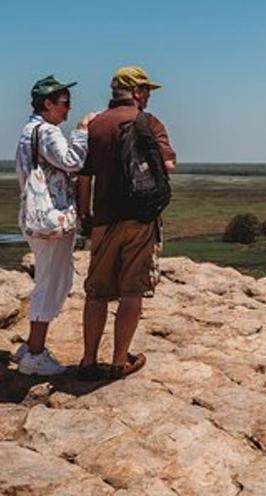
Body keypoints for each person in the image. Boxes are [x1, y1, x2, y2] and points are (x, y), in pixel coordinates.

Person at [76, 65, 176, 379]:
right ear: (135, 92)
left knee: (97, 293)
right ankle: (119, 362)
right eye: (145, 90)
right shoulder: (149, 122)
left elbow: (83, 176)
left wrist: (84, 215)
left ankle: (89, 362)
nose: (147, 96)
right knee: (132, 291)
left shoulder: (95, 125)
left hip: (104, 218)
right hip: (141, 218)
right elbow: (169, 165)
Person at [13, 75, 97, 376]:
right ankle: (35, 354)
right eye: (64, 103)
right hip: (52, 221)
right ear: (47, 103)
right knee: (52, 284)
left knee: (47, 281)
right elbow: (72, 161)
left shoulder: (29, 130)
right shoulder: (47, 132)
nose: (69, 108)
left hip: (36, 218)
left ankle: (31, 345)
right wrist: (82, 131)